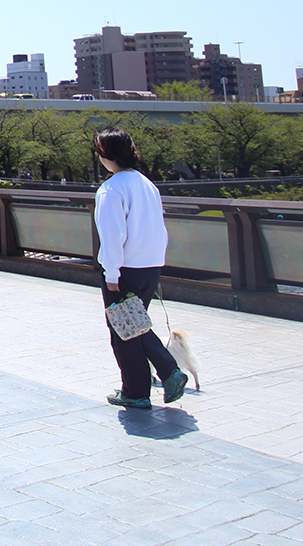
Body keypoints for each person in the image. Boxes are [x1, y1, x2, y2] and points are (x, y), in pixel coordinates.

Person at [93, 127, 187, 409]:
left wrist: (111, 273)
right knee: (135, 325)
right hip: (150, 266)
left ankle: (141, 389)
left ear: (107, 156)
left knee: (124, 331)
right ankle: (160, 377)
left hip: (125, 270)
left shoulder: (111, 189)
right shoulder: (146, 184)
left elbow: (112, 237)